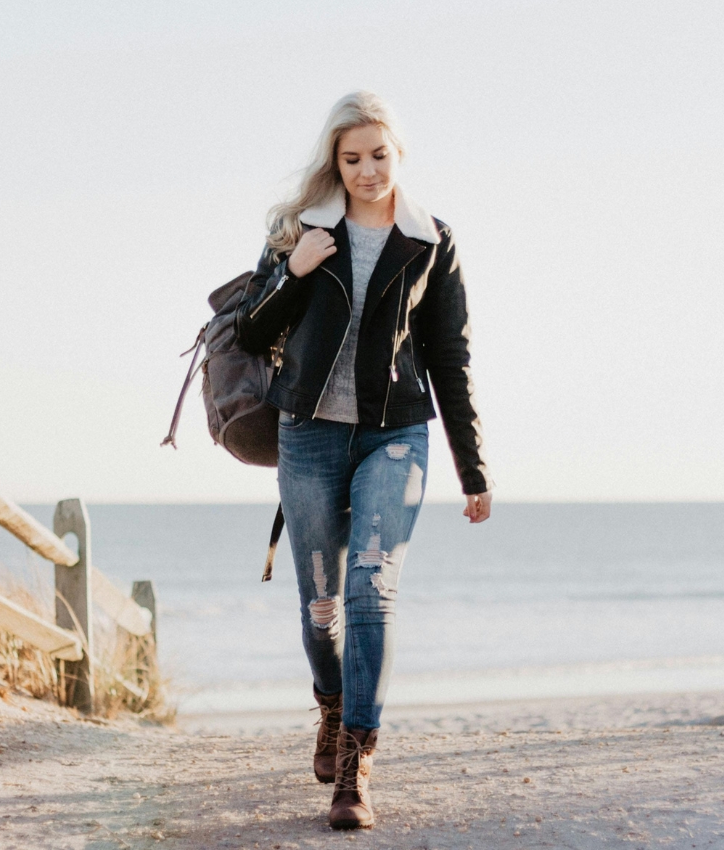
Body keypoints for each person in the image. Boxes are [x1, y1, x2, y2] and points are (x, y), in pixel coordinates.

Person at [236, 91, 493, 830]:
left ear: (398, 154)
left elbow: (450, 355)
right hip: (309, 435)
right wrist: (298, 273)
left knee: (370, 592)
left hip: (396, 436)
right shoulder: (300, 231)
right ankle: (330, 705)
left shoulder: (431, 240)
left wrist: (472, 468)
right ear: (335, 162)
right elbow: (252, 336)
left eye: (380, 155)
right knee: (321, 612)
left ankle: (355, 767)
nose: (368, 170)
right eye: (353, 158)